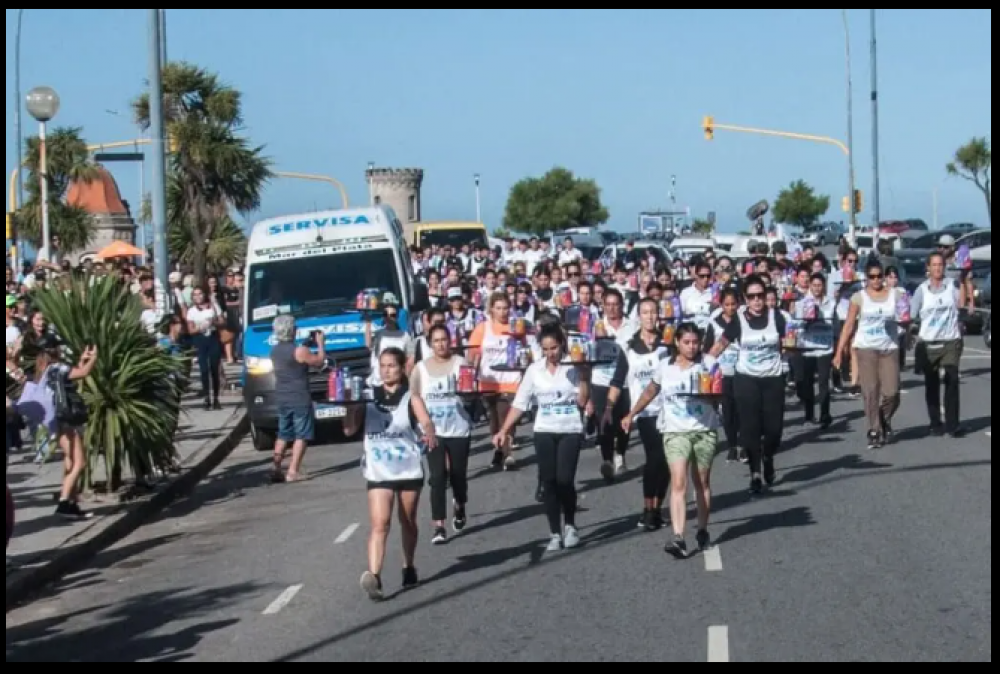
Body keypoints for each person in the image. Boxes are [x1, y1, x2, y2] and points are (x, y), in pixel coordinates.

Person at [343, 348, 437, 602]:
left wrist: (429, 432)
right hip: (378, 470)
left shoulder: (411, 398)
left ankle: (408, 564)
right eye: (382, 366)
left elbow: (426, 421)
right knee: (380, 523)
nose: (386, 370)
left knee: (407, 520)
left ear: (401, 368)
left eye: (391, 366)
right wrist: (351, 408)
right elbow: (349, 430)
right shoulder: (367, 397)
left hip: (407, 467)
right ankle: (375, 576)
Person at [624, 323, 721, 557]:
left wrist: (708, 394)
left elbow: (718, 398)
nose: (691, 347)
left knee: (701, 483)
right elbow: (650, 391)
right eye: (686, 342)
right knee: (679, 482)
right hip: (675, 431)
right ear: (677, 342)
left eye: (695, 342)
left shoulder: (709, 364)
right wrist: (631, 413)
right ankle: (678, 536)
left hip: (703, 429)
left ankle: (702, 529)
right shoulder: (665, 366)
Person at [493, 326, 592, 552]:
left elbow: (582, 401)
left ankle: (570, 525)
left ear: (562, 345)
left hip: (570, 428)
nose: (551, 353)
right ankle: (554, 532)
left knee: (565, 480)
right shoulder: (534, 370)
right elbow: (520, 403)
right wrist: (504, 430)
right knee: (549, 481)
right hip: (544, 429)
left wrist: (584, 377)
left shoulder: (573, 365)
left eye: (554, 348)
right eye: (546, 349)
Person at [708, 275, 788, 494]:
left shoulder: (776, 317)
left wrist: (791, 349)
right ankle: (755, 473)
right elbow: (720, 345)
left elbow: (788, 340)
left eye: (760, 295)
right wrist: (703, 365)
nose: (757, 300)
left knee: (774, 430)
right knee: (750, 429)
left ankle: (768, 456)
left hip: (772, 379)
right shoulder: (739, 320)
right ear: (745, 298)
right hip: (746, 380)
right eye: (751, 296)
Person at [605, 298, 670, 531]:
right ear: (639, 317)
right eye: (645, 312)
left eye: (653, 312)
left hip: (669, 410)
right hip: (644, 413)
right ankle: (647, 508)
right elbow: (617, 380)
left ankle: (658, 507)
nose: (650, 316)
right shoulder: (630, 348)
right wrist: (609, 409)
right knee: (655, 457)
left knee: (667, 463)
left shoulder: (668, 344)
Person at [410, 325, 473, 545]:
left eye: (444, 339)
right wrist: (425, 423)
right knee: (437, 477)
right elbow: (415, 396)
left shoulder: (460, 363)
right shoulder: (421, 368)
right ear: (430, 344)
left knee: (458, 475)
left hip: (458, 428)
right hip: (433, 432)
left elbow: (470, 391)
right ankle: (439, 525)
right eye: (436, 341)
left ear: (451, 341)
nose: (441, 344)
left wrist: (470, 392)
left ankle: (460, 505)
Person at [834, 260, 902, 449]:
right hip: (866, 349)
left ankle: (882, 416)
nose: (876, 280)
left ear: (884, 277)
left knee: (892, 393)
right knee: (870, 391)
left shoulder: (895, 295)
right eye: (871, 277)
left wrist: (908, 328)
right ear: (866, 278)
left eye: (879, 276)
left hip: (889, 348)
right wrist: (839, 351)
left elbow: (906, 316)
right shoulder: (859, 297)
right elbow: (848, 325)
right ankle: (874, 430)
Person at [911, 252, 968, 438]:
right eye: (934, 265)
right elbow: (912, 314)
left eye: (940, 265)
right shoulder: (922, 290)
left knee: (952, 379)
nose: (937, 268)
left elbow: (961, 303)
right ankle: (935, 422)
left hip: (950, 339)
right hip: (929, 342)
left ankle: (953, 425)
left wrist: (965, 278)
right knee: (932, 383)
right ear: (928, 267)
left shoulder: (952, 285)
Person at [269, 316, 327, 483]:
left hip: (282, 396)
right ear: (292, 330)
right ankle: (293, 471)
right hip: (299, 396)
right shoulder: (300, 351)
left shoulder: (274, 351)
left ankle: (276, 466)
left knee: (283, 433)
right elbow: (319, 362)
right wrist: (321, 344)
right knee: (301, 434)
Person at [589, 289, 635, 481]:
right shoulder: (595, 326)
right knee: (604, 422)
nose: (612, 308)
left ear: (622, 305)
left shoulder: (632, 326)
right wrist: (597, 339)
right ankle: (607, 460)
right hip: (601, 380)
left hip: (625, 381)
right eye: (607, 304)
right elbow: (585, 353)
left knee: (623, 421)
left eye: (615, 304)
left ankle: (620, 454)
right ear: (603, 306)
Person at [792, 274, 837, 428]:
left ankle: (825, 414)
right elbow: (795, 326)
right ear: (810, 286)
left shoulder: (831, 303)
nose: (817, 288)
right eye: (814, 285)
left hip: (825, 347)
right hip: (807, 347)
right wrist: (806, 320)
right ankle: (809, 414)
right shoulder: (802, 303)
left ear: (823, 286)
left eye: (820, 285)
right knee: (807, 382)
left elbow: (834, 325)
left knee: (824, 381)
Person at [703, 289, 741, 462]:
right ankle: (732, 445)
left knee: (741, 410)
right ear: (721, 304)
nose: (731, 308)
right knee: (727, 411)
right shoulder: (714, 323)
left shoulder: (743, 321)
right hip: (722, 373)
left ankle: (743, 443)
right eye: (727, 304)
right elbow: (708, 348)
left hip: (741, 371)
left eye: (734, 304)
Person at [186, 286, 225, 411]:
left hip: (213, 338)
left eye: (200, 294)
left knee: (214, 368)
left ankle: (216, 398)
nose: (198, 297)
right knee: (204, 369)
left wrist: (213, 323)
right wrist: (200, 327)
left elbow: (222, 322)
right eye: (195, 295)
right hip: (200, 339)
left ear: (204, 295)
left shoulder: (213, 306)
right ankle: (206, 398)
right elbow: (190, 330)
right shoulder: (191, 311)